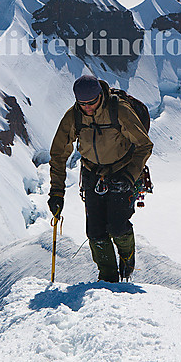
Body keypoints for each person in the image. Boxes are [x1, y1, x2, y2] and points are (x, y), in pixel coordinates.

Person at [47, 74, 153, 282]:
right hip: (92, 173)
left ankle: (127, 260)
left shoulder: (119, 111)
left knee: (117, 226)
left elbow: (144, 145)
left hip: (122, 171)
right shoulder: (74, 116)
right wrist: (56, 191)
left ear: (100, 96)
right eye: (82, 104)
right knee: (95, 232)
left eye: (92, 103)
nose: (87, 108)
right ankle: (108, 278)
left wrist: (130, 177)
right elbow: (59, 154)